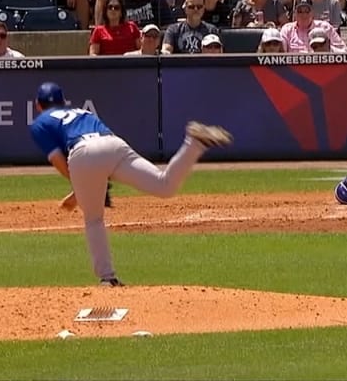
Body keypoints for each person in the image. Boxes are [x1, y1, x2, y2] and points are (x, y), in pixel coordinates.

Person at [29, 81, 232, 285]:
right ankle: (194, 143)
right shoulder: (82, 112)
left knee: (94, 219)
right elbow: (98, 157)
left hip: (83, 152)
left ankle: (107, 278)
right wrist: (85, 185)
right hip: (114, 144)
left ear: (38, 105)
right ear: (64, 101)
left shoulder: (40, 123)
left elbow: (59, 160)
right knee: (165, 185)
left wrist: (79, 187)